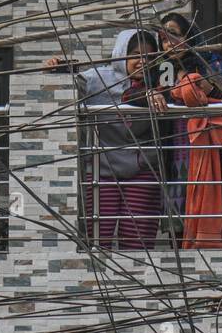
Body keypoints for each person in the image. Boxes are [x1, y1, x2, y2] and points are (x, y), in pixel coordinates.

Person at [50, 30, 167, 251]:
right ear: (120, 53)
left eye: (150, 56)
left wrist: (154, 93)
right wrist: (55, 71)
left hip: (143, 169)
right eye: (135, 54)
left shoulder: (162, 80)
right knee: (96, 241)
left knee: (137, 242)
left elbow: (176, 95)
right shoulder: (96, 79)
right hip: (100, 170)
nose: (142, 61)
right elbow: (66, 89)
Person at [159, 12, 222, 248]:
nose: (169, 43)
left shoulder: (212, 61)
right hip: (178, 150)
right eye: (164, 39)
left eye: (174, 35)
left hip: (216, 148)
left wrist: (195, 85)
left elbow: (221, 94)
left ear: (189, 36)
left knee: (219, 210)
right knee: (180, 214)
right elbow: (165, 96)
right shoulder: (165, 67)